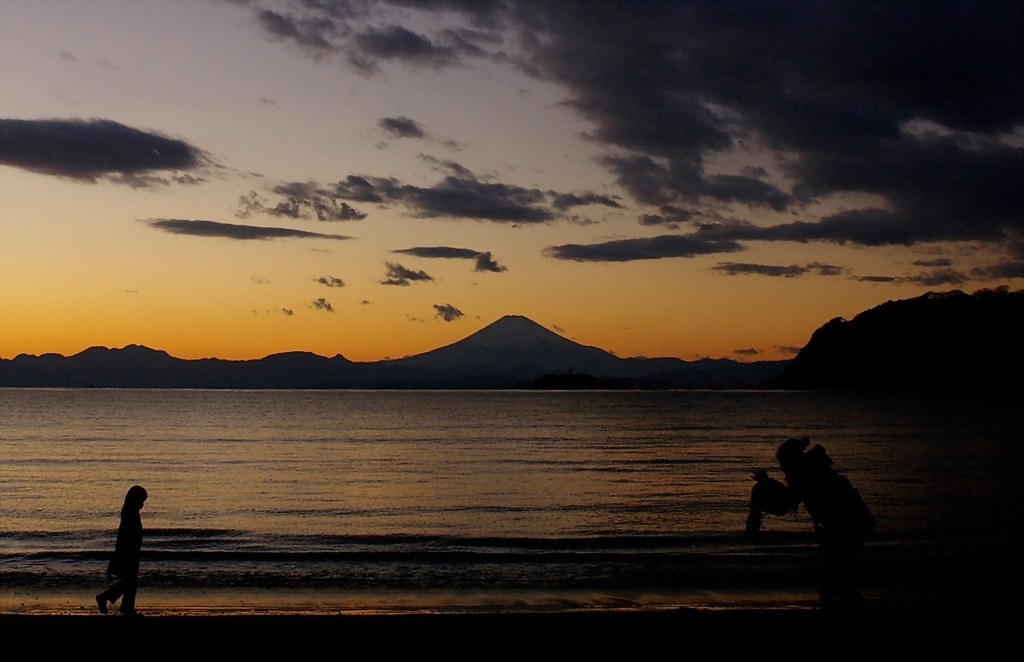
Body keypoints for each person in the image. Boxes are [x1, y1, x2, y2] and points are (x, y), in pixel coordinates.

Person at [746, 437, 874, 612]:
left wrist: (762, 489)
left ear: (792, 461)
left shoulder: (806, 475)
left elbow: (783, 505)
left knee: (837, 582)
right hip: (846, 526)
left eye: (783, 463)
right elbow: (788, 498)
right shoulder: (810, 470)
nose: (782, 468)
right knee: (839, 580)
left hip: (847, 527)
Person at [96, 485, 148, 616]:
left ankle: (124, 606)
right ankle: (117, 603)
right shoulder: (130, 515)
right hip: (128, 552)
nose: (142, 505)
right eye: (141, 501)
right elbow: (125, 536)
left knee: (130, 582)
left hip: (131, 551)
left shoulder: (130, 513)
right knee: (130, 582)